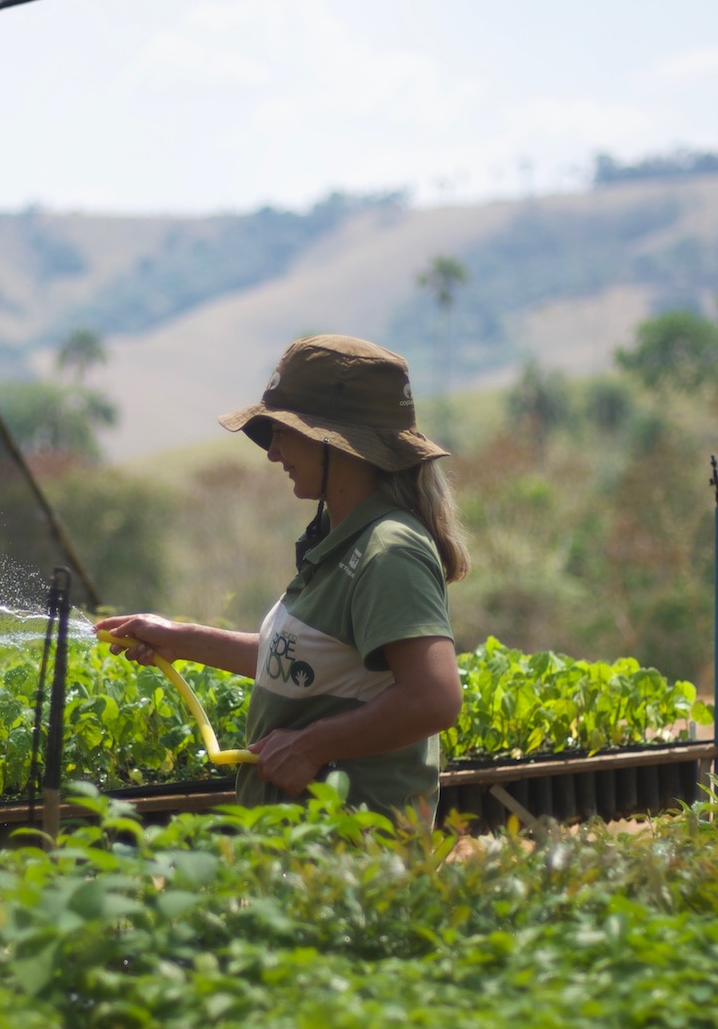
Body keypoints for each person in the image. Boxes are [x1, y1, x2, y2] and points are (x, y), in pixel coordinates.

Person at [95, 334, 469, 818]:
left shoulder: (388, 549)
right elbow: (300, 665)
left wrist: (312, 745)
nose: (272, 452)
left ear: (336, 440)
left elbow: (434, 698)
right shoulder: (340, 539)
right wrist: (177, 638)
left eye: (284, 433)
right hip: (305, 852)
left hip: (356, 860)